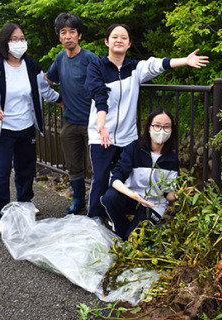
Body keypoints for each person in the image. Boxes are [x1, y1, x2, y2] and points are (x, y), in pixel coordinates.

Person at [84, 23, 208, 221]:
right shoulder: (96, 67)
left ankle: (120, 218)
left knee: (124, 179)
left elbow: (157, 64)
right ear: (107, 41)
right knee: (100, 179)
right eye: (114, 37)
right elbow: (100, 94)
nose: (119, 40)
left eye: (124, 37)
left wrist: (185, 60)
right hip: (101, 136)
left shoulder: (135, 69)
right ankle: (95, 220)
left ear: (129, 43)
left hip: (127, 137)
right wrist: (101, 124)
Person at [0, 23, 62, 234]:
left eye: (22, 38)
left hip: (26, 127)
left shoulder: (31, 66)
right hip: (3, 129)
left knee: (26, 169)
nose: (19, 42)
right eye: (14, 39)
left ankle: (25, 203)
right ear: (5, 42)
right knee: (2, 172)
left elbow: (44, 89)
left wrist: (60, 100)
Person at [45, 13, 99, 215]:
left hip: (92, 123)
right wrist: (57, 99)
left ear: (80, 35)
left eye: (72, 32)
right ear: (59, 37)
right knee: (73, 165)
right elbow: (47, 81)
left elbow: (104, 87)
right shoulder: (60, 58)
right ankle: (78, 202)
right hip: (69, 121)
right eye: (63, 32)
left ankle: (97, 204)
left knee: (96, 167)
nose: (68, 36)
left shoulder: (90, 58)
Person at [100, 108, 179, 240]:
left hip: (152, 204)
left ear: (171, 131)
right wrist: (132, 194)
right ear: (149, 128)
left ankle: (129, 233)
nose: (161, 130)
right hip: (131, 197)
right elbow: (115, 179)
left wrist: (178, 195)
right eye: (157, 126)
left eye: (166, 127)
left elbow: (167, 192)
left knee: (134, 240)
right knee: (110, 197)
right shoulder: (134, 149)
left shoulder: (172, 159)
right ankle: (120, 227)